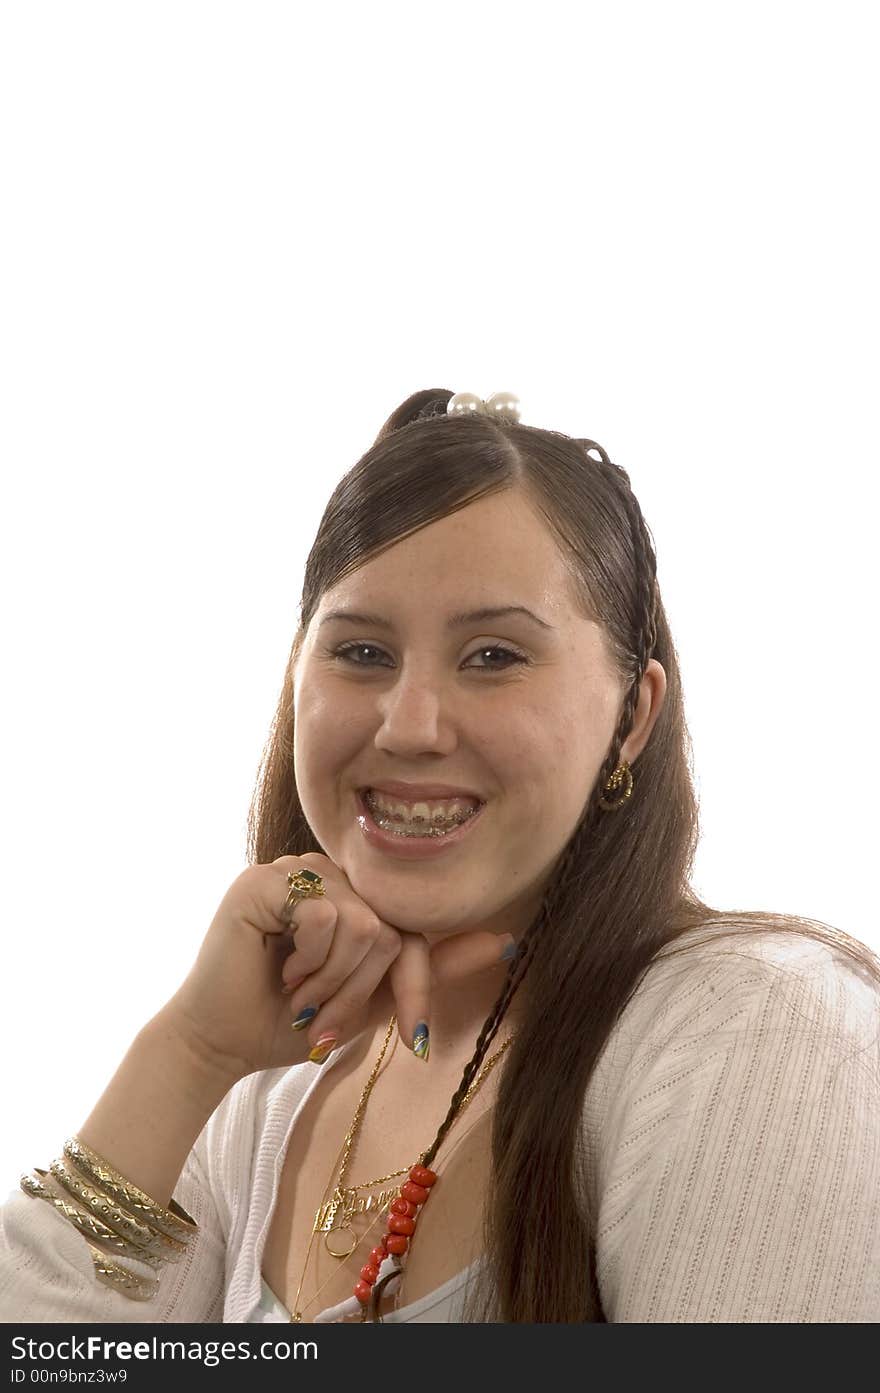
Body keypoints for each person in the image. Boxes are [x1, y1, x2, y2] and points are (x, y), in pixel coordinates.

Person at [1, 387, 878, 1325]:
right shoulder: (266, 1099)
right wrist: (190, 1051)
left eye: (494, 655)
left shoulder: (752, 1032)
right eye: (363, 652)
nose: (409, 725)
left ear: (634, 716)